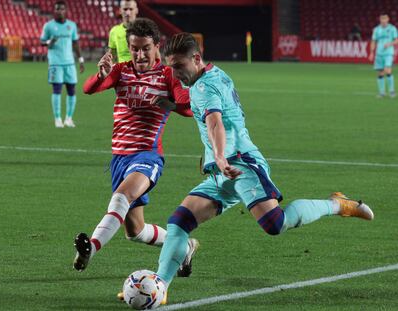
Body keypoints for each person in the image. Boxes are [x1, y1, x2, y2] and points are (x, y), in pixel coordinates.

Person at [151, 33, 375, 298]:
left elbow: (215, 122)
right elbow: (203, 110)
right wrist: (175, 106)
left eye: (179, 66)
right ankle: (159, 286)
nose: (175, 74)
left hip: (240, 164)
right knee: (179, 222)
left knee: (274, 223)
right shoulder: (212, 74)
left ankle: (337, 204)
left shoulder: (202, 88)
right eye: (171, 67)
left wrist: (220, 156)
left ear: (196, 58)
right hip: (222, 172)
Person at [73, 19, 198, 282]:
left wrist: (171, 104)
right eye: (134, 49)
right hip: (119, 158)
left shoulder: (166, 75)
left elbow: (188, 105)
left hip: (147, 155)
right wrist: (101, 74)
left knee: (122, 196)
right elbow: (88, 89)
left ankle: (91, 249)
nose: (139, 54)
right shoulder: (121, 70)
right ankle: (185, 247)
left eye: (145, 48)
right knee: (135, 231)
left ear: (156, 46)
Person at [40, 0, 85, 128]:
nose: (59, 11)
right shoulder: (48, 26)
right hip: (55, 63)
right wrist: (49, 42)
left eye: (61, 9)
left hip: (70, 63)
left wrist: (80, 60)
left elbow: (75, 43)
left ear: (65, 10)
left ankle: (69, 118)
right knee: (57, 90)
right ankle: (58, 119)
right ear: (54, 11)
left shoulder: (72, 25)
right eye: (57, 9)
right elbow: (42, 42)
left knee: (72, 90)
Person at [369, 13, 398, 98]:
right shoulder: (376, 29)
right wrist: (371, 53)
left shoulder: (392, 29)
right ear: (380, 19)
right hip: (379, 54)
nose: (383, 20)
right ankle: (382, 92)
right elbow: (373, 41)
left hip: (389, 53)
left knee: (387, 70)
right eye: (382, 19)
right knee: (380, 73)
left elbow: (397, 40)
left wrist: (390, 43)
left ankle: (392, 91)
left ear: (388, 19)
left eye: (385, 19)